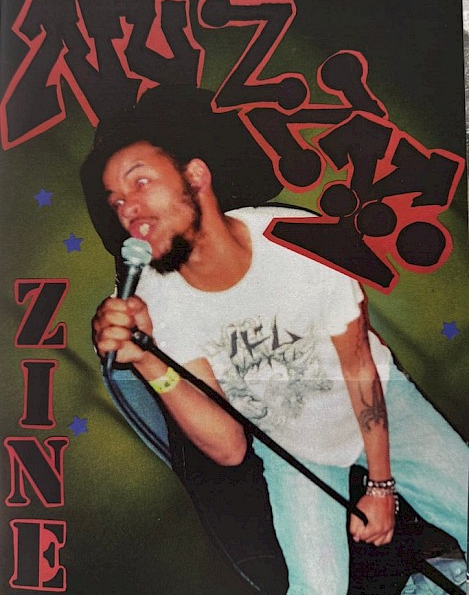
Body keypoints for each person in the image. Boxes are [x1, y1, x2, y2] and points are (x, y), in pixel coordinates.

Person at [82, 87, 468, 595]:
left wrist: (380, 487)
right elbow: (229, 447)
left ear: (196, 177)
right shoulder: (155, 301)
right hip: (293, 446)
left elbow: (359, 368)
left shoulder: (299, 240)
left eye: (141, 182)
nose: (128, 208)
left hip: (381, 407)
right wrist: (149, 362)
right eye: (116, 201)